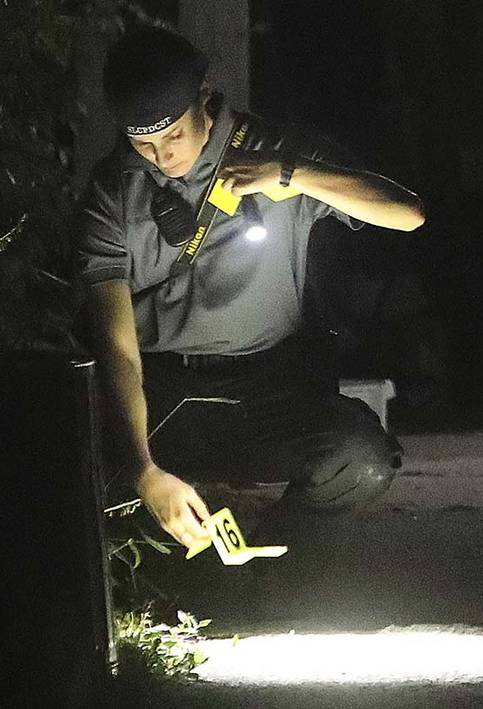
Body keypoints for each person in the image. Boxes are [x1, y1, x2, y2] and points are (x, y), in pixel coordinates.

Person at [74, 25, 425, 558]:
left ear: (205, 99)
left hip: (267, 384)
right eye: (143, 143)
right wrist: (145, 470)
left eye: (174, 136)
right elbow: (117, 347)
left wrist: (292, 175)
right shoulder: (112, 192)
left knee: (361, 457)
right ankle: (168, 573)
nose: (162, 157)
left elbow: (407, 214)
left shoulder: (272, 151)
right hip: (163, 385)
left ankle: (275, 566)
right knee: (89, 469)